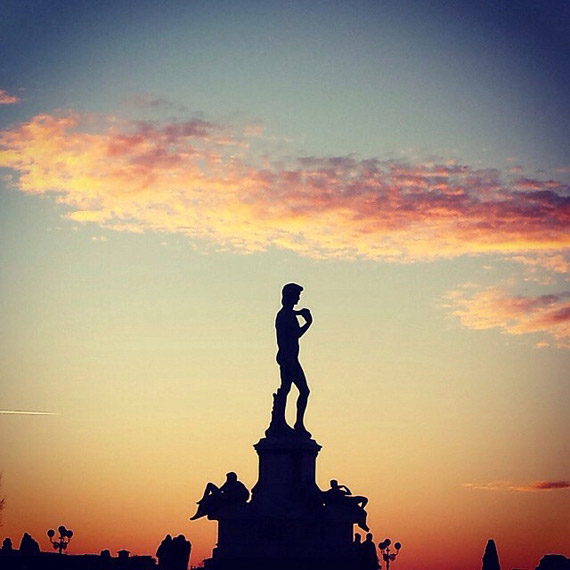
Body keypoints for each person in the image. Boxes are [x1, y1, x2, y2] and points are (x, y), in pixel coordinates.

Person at [274, 283, 313, 435]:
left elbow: (295, 334)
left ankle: (295, 423)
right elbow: (293, 336)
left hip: (290, 357)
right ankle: (282, 422)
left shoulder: (289, 314)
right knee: (293, 389)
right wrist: (309, 323)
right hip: (287, 358)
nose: (297, 300)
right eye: (296, 296)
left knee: (297, 390)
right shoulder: (284, 315)